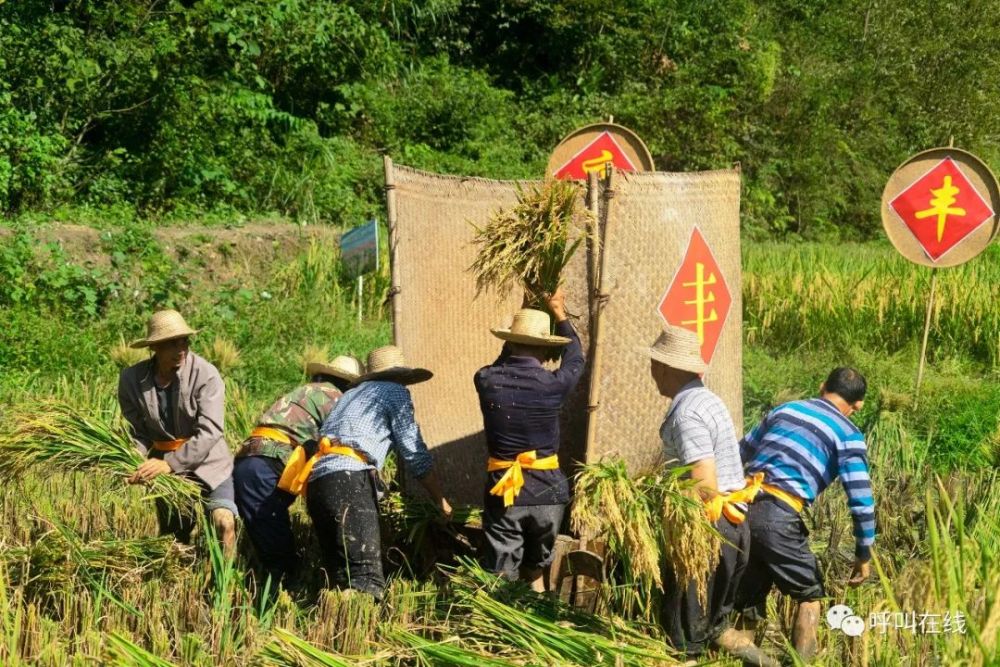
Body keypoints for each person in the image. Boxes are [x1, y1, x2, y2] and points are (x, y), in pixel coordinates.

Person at [645, 326, 777, 667]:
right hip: (734, 527)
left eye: (654, 364)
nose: (652, 371)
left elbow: (704, 483)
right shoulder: (708, 399)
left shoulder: (686, 413)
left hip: (707, 531)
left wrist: (658, 497)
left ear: (665, 367)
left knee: (685, 639)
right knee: (715, 626)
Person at [735, 367, 875, 662]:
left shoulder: (786, 409)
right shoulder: (848, 434)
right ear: (858, 405)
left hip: (740, 509)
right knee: (809, 596)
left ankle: (743, 655)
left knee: (747, 599)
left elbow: (739, 453)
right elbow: (861, 503)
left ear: (823, 386)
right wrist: (863, 555)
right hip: (778, 516)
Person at [296, 345, 452, 599]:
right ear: (402, 375)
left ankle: (334, 633)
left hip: (317, 482)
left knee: (340, 578)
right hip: (348, 480)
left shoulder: (351, 395)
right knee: (365, 581)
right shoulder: (395, 392)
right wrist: (439, 499)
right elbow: (414, 452)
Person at [474, 287, 585, 592]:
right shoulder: (553, 384)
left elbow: (499, 364)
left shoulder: (486, 380)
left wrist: (517, 327)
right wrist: (559, 312)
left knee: (501, 577)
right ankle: (539, 619)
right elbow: (576, 358)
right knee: (535, 569)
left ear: (509, 343)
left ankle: (504, 627)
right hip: (549, 493)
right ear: (544, 348)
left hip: (506, 492)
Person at [232, 355, 363, 588]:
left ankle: (277, 586)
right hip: (270, 461)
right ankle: (281, 593)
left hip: (252, 459)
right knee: (276, 551)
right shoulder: (336, 397)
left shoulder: (304, 391)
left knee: (269, 532)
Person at [118, 309, 238, 555]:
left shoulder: (206, 374)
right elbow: (138, 432)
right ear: (155, 347)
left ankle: (226, 583)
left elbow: (210, 431)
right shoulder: (131, 379)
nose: (181, 348)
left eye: (184, 340)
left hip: (209, 462)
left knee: (224, 523)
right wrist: (131, 459)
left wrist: (170, 464)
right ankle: (180, 578)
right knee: (175, 537)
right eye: (172, 343)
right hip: (166, 468)